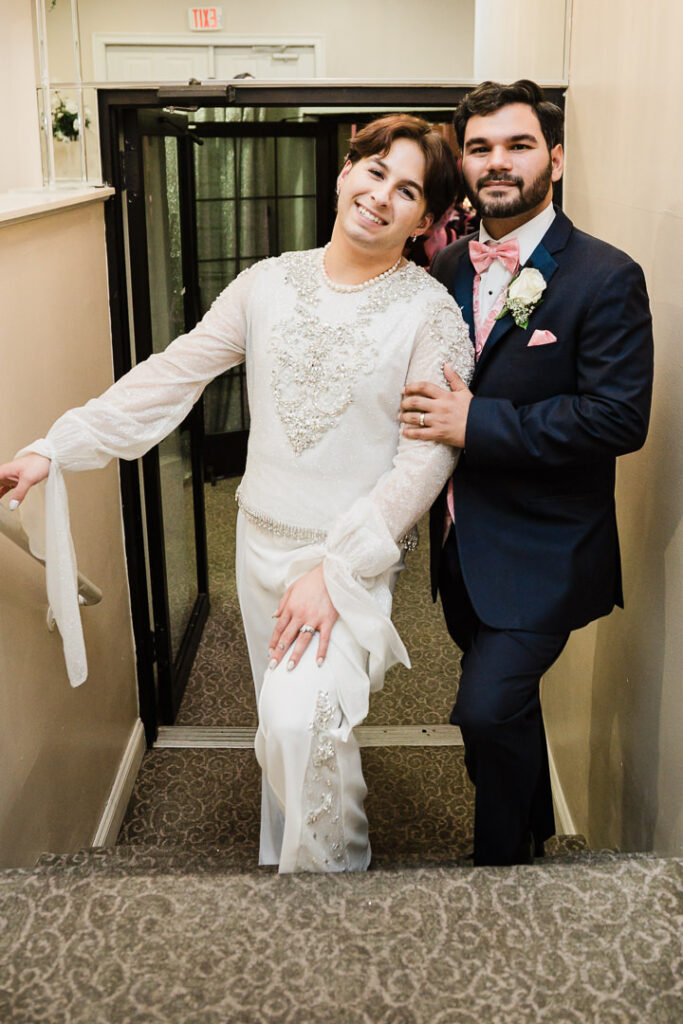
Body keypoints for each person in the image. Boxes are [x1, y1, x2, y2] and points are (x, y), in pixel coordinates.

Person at [0, 115, 474, 873]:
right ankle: (289, 871)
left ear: (426, 219)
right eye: (374, 170)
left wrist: (337, 568)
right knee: (290, 728)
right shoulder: (265, 284)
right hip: (257, 547)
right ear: (344, 173)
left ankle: (336, 884)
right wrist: (54, 446)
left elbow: (422, 462)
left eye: (408, 189)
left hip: (346, 557)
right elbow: (174, 372)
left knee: (298, 720)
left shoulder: (431, 316)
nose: (382, 195)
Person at [400, 81, 653, 867]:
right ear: (464, 163)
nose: (497, 162)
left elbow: (617, 418)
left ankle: (500, 869)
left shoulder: (605, 276)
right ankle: (531, 835)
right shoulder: (444, 265)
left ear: (556, 157)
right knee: (506, 712)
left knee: (481, 710)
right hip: (460, 546)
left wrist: (475, 422)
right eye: (479, 148)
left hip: (546, 551)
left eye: (517, 145)